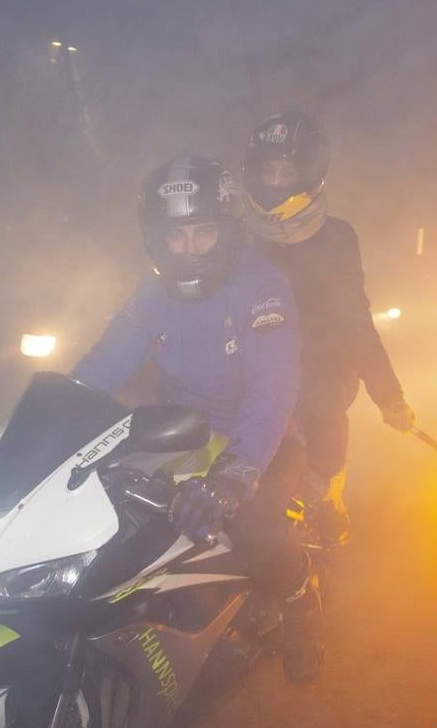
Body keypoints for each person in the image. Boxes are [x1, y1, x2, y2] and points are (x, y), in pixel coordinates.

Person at [72, 155, 322, 682]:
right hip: (179, 431)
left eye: (202, 233)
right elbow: (101, 364)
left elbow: (273, 391)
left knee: (260, 535)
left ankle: (302, 598)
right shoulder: (151, 291)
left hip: (262, 439)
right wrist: (45, 421)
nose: (187, 250)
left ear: (228, 231)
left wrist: (235, 476)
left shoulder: (263, 287)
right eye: (174, 235)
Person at [243, 112, 415, 546]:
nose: (277, 180)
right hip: (255, 370)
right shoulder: (240, 237)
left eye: (288, 170)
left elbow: (354, 320)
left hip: (320, 371)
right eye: (269, 170)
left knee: (321, 423)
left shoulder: (337, 238)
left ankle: (325, 500)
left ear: (310, 175)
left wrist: (389, 395)